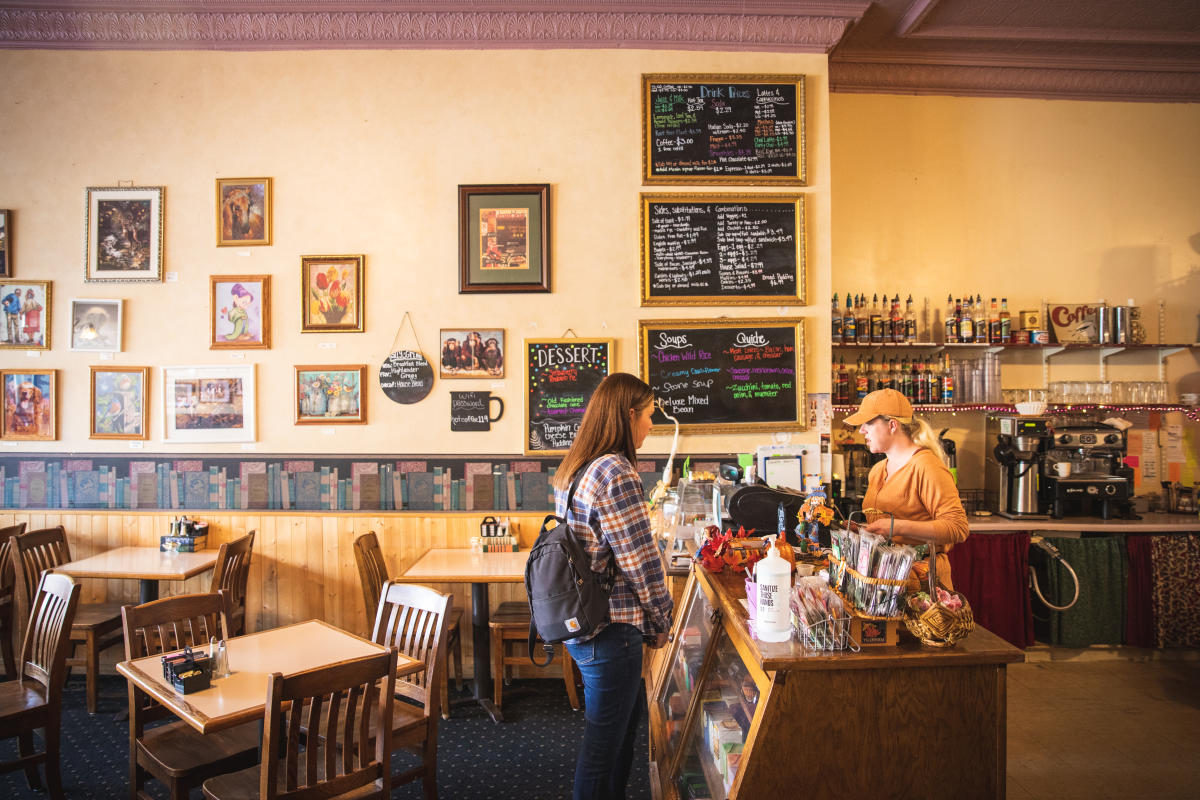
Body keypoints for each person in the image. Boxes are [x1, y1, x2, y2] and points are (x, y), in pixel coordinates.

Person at [552, 372, 674, 800]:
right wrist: (663, 620)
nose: (652, 425)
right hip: (611, 632)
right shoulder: (615, 471)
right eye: (649, 415)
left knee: (618, 738)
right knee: (604, 751)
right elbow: (641, 562)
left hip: (581, 624)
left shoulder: (577, 467)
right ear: (628, 415)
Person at [843, 388, 968, 590]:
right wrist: (862, 530)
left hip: (923, 584)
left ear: (892, 425)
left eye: (868, 423)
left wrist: (895, 527)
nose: (861, 430)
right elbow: (883, 525)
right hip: (885, 580)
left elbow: (957, 528)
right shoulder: (877, 470)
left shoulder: (926, 466)